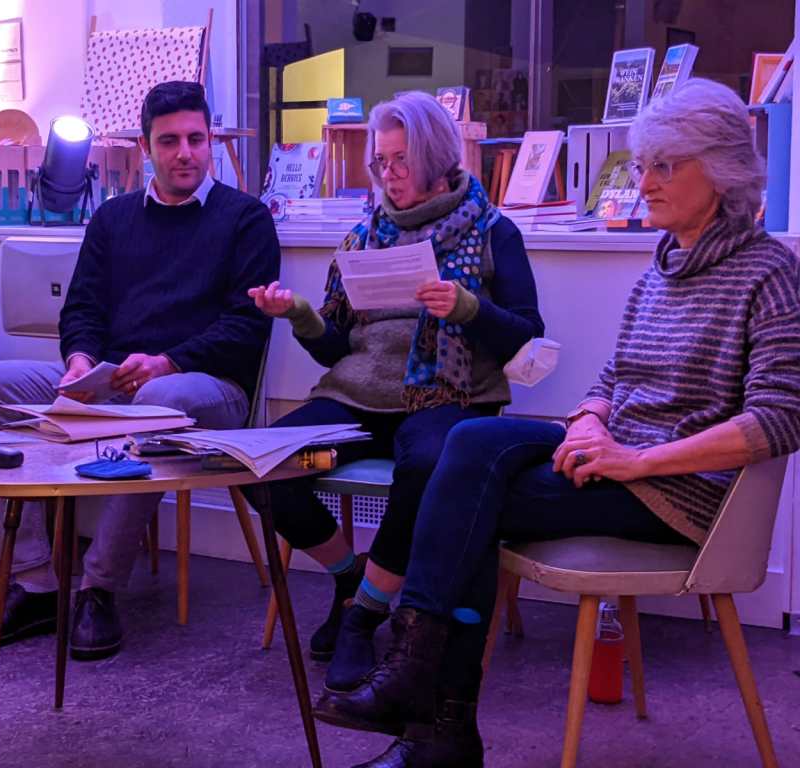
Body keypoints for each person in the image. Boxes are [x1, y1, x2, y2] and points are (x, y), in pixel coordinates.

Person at [316, 78, 800, 768]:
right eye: (644, 165)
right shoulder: (663, 267)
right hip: (619, 458)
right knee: (470, 441)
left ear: (721, 171)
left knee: (468, 503)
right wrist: (589, 421)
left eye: (665, 166)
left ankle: (429, 713)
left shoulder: (770, 273)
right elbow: (613, 378)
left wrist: (636, 461)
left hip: (682, 492)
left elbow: (780, 420)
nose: (645, 183)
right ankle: (422, 694)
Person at [0, 81, 279, 660]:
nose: (185, 153)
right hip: (113, 379)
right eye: (170, 141)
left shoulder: (245, 218)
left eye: (196, 139)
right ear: (146, 148)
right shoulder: (112, 218)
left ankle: (99, 588)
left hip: (206, 388)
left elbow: (246, 328)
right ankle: (34, 583)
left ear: (210, 140)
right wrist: (80, 361)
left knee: (161, 398)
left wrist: (166, 361)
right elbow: (81, 308)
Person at [245, 91, 544, 692]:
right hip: (356, 404)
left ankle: (363, 618)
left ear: (435, 156)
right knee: (265, 463)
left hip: (447, 398)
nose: (388, 173)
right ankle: (351, 578)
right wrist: (300, 314)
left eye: (401, 159)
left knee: (428, 467)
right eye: (380, 161)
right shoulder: (363, 237)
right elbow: (335, 349)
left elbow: (527, 334)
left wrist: (468, 308)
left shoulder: (492, 231)